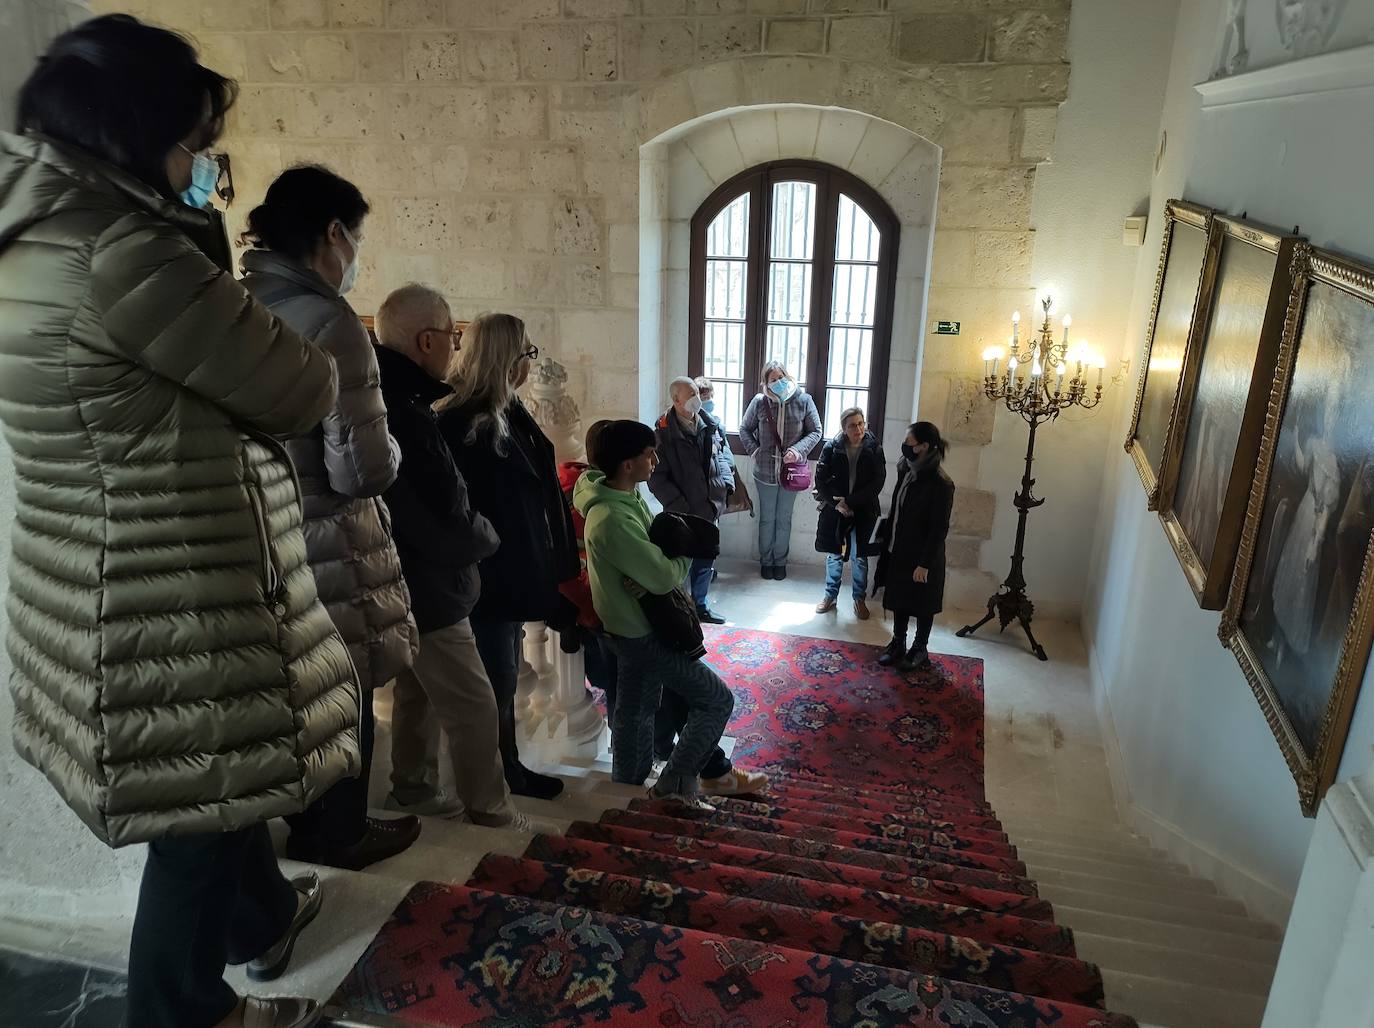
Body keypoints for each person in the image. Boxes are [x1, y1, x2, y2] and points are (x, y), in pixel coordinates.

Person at [0, 17, 356, 1028]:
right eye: (195, 143)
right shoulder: (128, 251)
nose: (206, 165)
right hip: (174, 580)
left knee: (218, 781)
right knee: (195, 825)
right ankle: (187, 1011)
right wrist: (195, 240)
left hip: (99, 567)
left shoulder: (32, 231)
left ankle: (265, 920)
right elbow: (298, 385)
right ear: (134, 134)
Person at [240, 165, 421, 871]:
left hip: (259, 530)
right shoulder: (334, 322)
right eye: (358, 238)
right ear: (335, 234)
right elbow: (362, 469)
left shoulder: (236, 301)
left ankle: (301, 821)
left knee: (292, 690)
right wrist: (398, 439)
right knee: (345, 684)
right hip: (328, 539)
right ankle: (339, 832)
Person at [371, 286, 538, 832]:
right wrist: (487, 540)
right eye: (451, 336)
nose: (454, 347)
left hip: (405, 577)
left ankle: (414, 788)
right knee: (475, 704)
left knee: (416, 692)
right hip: (430, 582)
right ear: (426, 340)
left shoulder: (390, 398)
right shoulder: (416, 412)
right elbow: (441, 512)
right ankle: (491, 811)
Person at [575, 421, 767, 803]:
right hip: (639, 632)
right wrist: (679, 559)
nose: (656, 461)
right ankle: (675, 784)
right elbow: (663, 575)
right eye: (650, 455)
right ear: (627, 464)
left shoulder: (623, 498)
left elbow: (654, 564)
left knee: (637, 708)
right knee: (716, 699)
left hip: (634, 625)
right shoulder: (612, 518)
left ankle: (627, 792)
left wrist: (655, 569)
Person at [437, 313, 579, 801]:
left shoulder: (505, 410)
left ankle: (507, 769)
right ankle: (499, 779)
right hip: (487, 579)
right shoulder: (462, 423)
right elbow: (464, 511)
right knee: (494, 684)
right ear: (506, 360)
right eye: (527, 354)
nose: (530, 364)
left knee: (503, 676)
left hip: (509, 572)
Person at [649, 376, 734, 624]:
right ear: (676, 400)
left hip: (710, 507)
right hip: (683, 512)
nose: (698, 398)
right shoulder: (663, 435)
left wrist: (725, 488)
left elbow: (724, 458)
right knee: (682, 561)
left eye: (698, 392)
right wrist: (680, 507)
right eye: (691, 394)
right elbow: (657, 479)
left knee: (706, 559)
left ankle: (701, 605)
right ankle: (679, 608)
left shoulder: (710, 425)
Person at [875, 422, 955, 671]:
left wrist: (924, 563)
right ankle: (898, 642)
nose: (905, 448)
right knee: (899, 598)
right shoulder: (906, 470)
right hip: (899, 548)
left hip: (922, 555)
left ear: (923, 447)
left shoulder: (941, 484)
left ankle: (920, 647)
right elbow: (899, 510)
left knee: (922, 603)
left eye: (909, 443)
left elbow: (939, 528)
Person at [558, 420, 619, 723]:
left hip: (588, 606)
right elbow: (571, 565)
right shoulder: (589, 504)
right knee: (615, 681)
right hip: (593, 607)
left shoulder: (575, 484)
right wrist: (594, 612)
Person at [739, 361, 822, 580]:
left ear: (788, 376)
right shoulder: (759, 402)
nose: (778, 382)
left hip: (792, 473)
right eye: (773, 379)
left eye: (781, 377)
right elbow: (744, 429)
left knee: (784, 518)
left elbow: (816, 431)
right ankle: (766, 561)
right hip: (764, 473)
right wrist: (755, 451)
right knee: (767, 518)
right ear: (765, 382)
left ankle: (780, 561)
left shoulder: (804, 401)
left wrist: (797, 450)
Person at [814, 407, 887, 621]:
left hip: (864, 508)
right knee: (834, 554)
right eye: (853, 425)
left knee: (859, 556)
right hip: (837, 508)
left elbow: (878, 481)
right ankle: (830, 596)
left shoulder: (874, 447)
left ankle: (859, 598)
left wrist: (852, 502)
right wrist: (836, 504)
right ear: (844, 429)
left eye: (861, 423)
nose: (858, 429)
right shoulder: (832, 447)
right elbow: (820, 480)